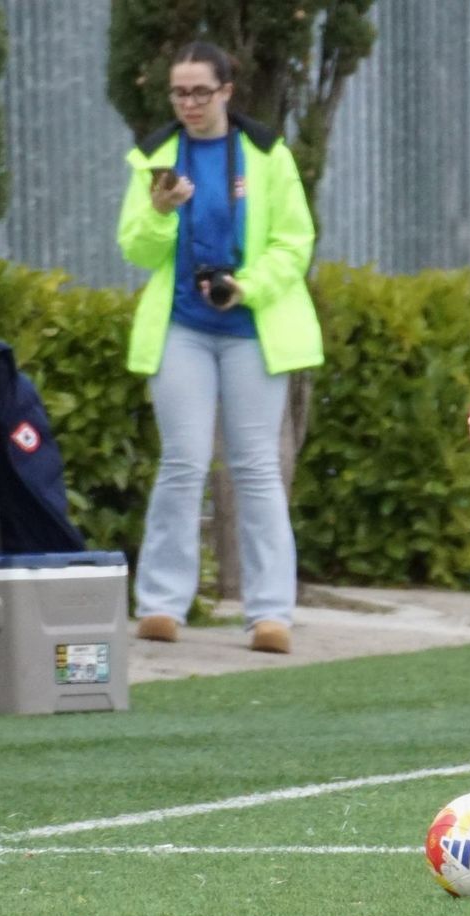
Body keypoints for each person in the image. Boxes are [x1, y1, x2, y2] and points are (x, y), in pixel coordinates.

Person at [117, 41, 322, 655]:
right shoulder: (154, 156)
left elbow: (294, 241)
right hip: (181, 327)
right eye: (179, 93)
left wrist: (245, 288)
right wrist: (158, 214)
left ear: (228, 92)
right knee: (181, 463)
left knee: (256, 468)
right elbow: (136, 249)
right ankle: (159, 606)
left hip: (250, 329)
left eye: (200, 92)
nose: (189, 104)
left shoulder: (266, 153)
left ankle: (269, 614)